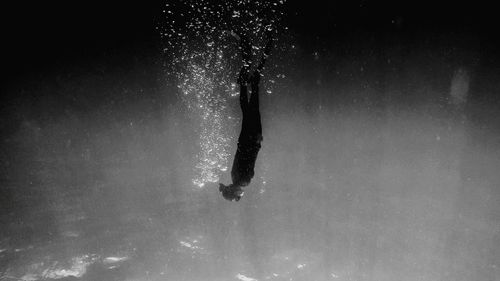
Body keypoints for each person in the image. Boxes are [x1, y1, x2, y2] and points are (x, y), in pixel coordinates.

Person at [219, 32, 272, 202]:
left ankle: (251, 57)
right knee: (249, 104)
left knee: (249, 104)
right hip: (250, 139)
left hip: (251, 139)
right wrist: (249, 142)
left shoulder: (240, 181)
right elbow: (246, 158)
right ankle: (262, 47)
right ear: (232, 189)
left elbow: (247, 159)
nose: (227, 185)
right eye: (228, 189)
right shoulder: (242, 180)